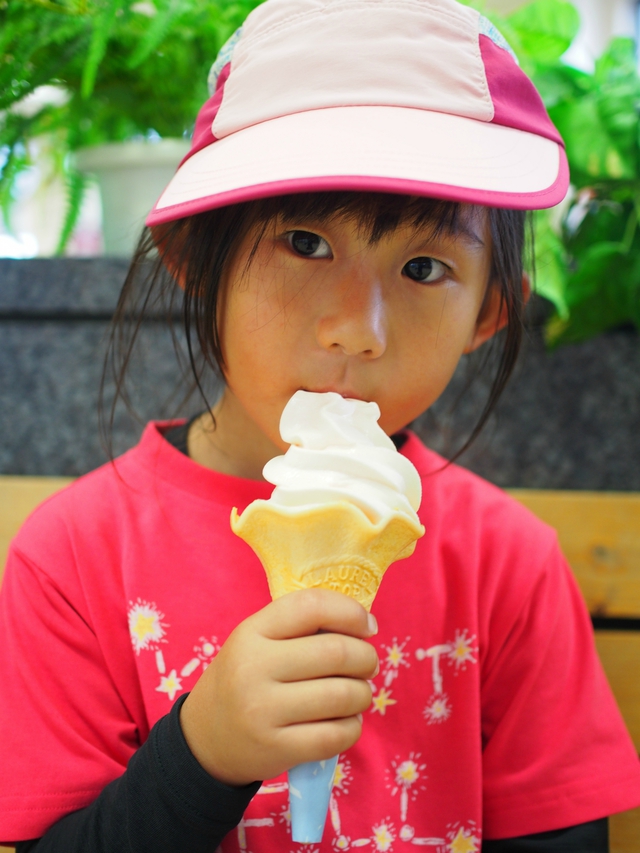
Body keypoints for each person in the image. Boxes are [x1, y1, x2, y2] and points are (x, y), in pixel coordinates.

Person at [1, 0, 639, 851]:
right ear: (196, 259)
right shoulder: (73, 559)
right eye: (305, 242)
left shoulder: (507, 565)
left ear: (488, 313)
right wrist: (201, 755)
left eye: (423, 266)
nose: (358, 327)